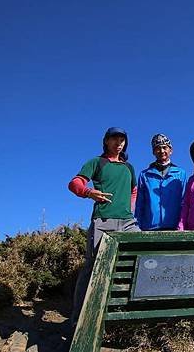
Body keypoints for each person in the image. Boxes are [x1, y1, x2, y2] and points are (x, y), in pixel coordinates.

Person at [67, 127, 140, 325]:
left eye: (122, 140)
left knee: (139, 257)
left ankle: (119, 311)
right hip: (103, 220)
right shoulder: (96, 162)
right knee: (93, 266)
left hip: (128, 222)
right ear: (106, 141)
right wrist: (89, 193)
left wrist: (130, 209)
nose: (119, 143)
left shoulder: (128, 167)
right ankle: (78, 318)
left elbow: (134, 190)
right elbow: (74, 183)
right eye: (115, 139)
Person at [135, 134, 187, 230]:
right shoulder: (144, 175)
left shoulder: (181, 173)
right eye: (158, 148)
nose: (162, 151)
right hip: (149, 228)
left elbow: (184, 201)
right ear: (153, 152)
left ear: (170, 150)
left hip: (175, 228)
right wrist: (138, 226)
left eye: (165, 148)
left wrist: (182, 225)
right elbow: (140, 204)